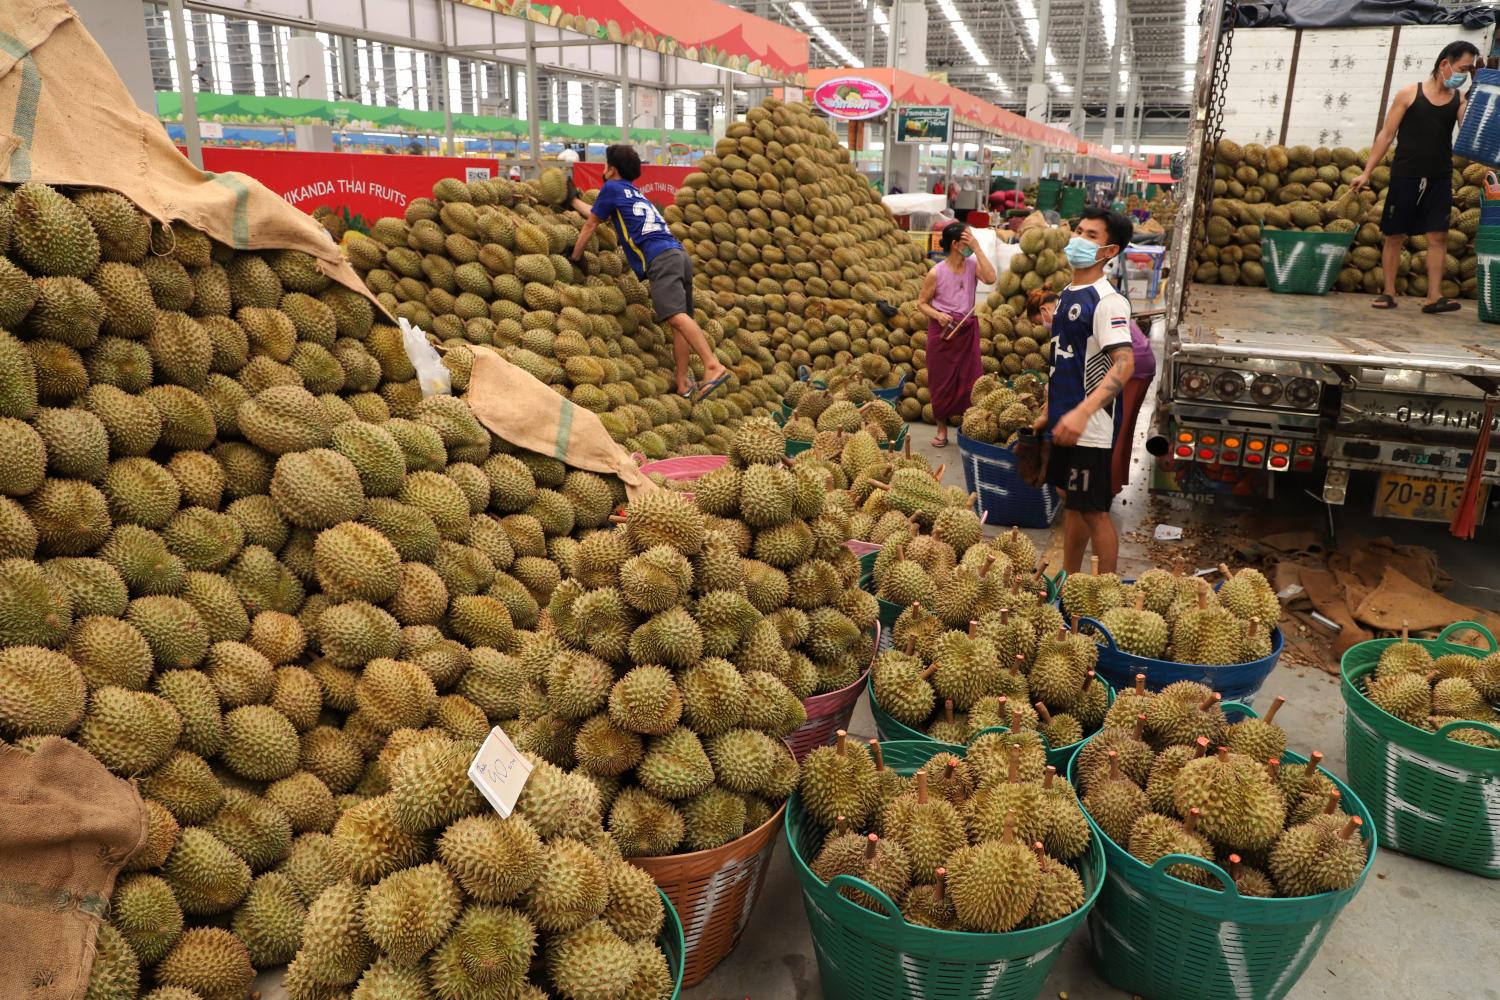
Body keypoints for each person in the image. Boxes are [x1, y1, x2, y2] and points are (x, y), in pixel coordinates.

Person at [569, 144, 729, 400]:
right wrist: (575, 200)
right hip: (678, 254)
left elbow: (591, 225)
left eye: (605, 164)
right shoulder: (634, 193)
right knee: (681, 324)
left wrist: (575, 257)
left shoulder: (611, 187)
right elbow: (598, 214)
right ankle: (683, 383)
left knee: (676, 317)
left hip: (660, 258)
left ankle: (712, 365)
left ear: (612, 169)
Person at [1034, 207, 1135, 574]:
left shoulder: (1107, 301)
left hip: (1090, 428)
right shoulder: (1067, 293)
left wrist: (1082, 413)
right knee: (1071, 501)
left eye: (1091, 236)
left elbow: (1125, 364)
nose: (1079, 239)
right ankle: (1070, 578)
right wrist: (1050, 409)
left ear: (1110, 252)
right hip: (1065, 419)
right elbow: (1062, 358)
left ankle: (1103, 593)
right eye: (1078, 230)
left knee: (1093, 510)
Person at [1353, 39, 1479, 313]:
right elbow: (1386, 135)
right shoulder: (1410, 94)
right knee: (1395, 234)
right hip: (1406, 174)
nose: (1463, 75)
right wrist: (1366, 172)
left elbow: (1467, 128)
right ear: (1445, 64)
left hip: (1440, 176)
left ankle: (1433, 297)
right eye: (1463, 68)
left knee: (1438, 236)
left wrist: (1477, 93)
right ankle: (1388, 292)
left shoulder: (1458, 99)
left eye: (1468, 71)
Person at [917, 221, 997, 447]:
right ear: (955, 244)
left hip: (967, 328)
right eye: (968, 240)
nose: (972, 243)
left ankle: (968, 426)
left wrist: (978, 249)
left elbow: (991, 279)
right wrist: (938, 315)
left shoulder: (973, 265)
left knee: (971, 380)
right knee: (941, 381)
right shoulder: (936, 272)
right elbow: (921, 304)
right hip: (942, 331)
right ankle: (942, 430)